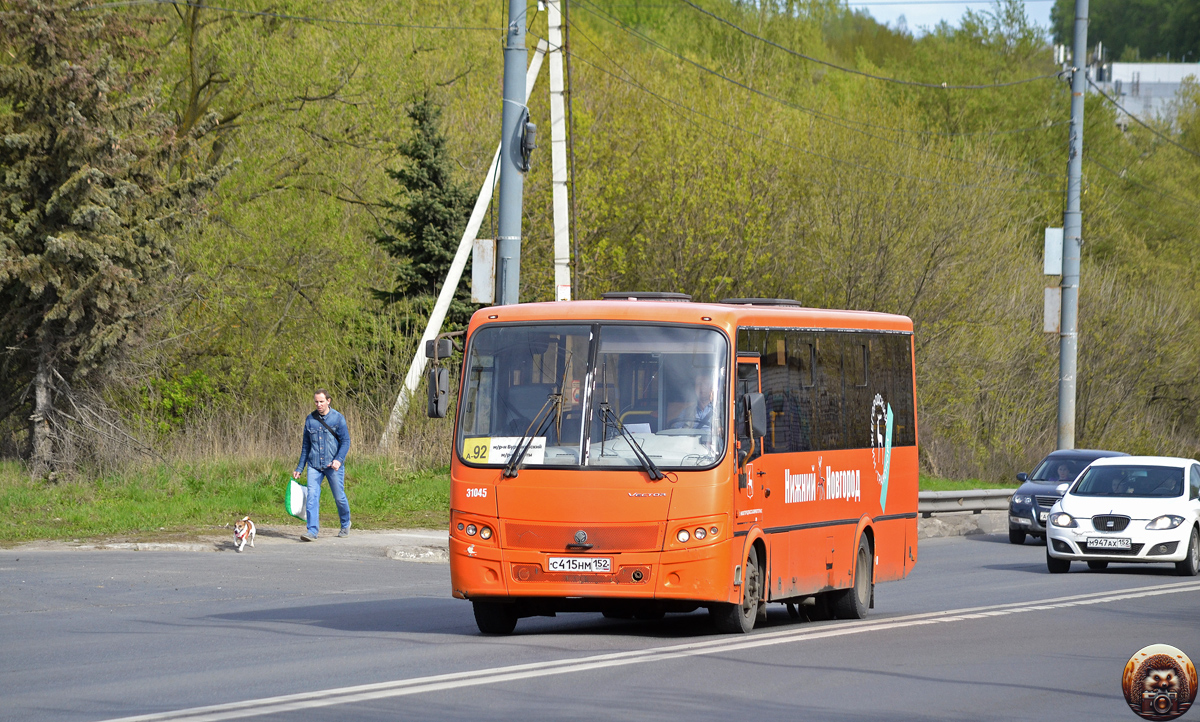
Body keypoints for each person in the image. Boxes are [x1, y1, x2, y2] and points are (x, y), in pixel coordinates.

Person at [293, 388, 351, 541]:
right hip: (314, 465)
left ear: (328, 401)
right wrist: (300, 468)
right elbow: (306, 446)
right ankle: (312, 531)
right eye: (316, 402)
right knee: (312, 497)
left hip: (333, 465)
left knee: (339, 497)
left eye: (321, 401)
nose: (318, 404)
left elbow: (346, 441)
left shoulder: (338, 419)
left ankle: (345, 523)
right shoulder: (310, 419)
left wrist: (338, 459)